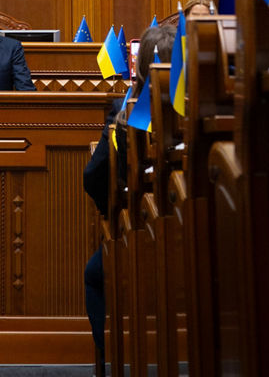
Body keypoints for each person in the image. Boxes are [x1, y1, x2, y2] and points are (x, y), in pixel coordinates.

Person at [82, 23, 176, 361]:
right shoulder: (198, 105)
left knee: (94, 277)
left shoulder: (126, 119)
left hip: (139, 231)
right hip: (196, 232)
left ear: (138, 67)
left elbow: (93, 176)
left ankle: (112, 357)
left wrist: (110, 212)